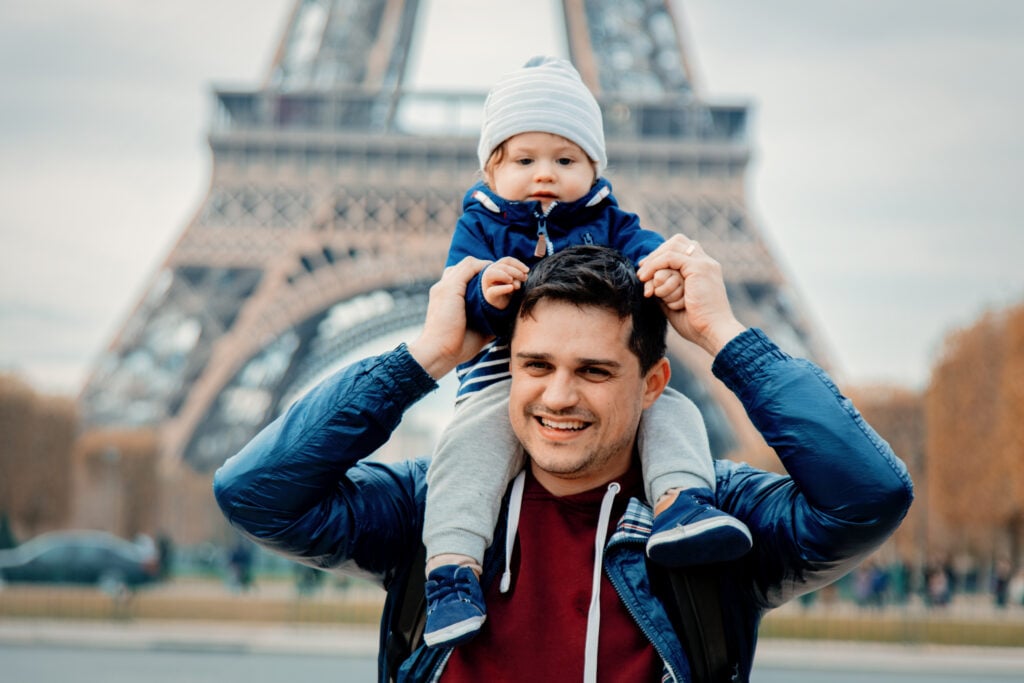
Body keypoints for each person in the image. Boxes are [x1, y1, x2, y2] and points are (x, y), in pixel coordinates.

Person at [213, 240, 914, 682]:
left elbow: (870, 494)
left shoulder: (710, 525)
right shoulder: (435, 507)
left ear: (652, 384)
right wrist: (423, 359)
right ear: (507, 370)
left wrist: (726, 336)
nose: (558, 395)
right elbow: (255, 492)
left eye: (594, 371)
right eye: (535, 364)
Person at [422, 55, 750, 647]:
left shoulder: (607, 217)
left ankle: (683, 503)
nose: (544, 173)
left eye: (565, 159)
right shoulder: (481, 223)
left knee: (675, 412)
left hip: (586, 358)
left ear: (594, 166)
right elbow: (464, 289)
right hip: (500, 376)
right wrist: (485, 294)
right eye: (524, 160)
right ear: (491, 170)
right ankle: (451, 571)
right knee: (467, 449)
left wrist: (669, 271)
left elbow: (645, 248)